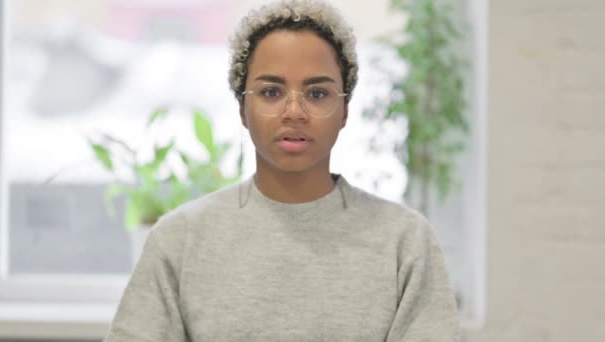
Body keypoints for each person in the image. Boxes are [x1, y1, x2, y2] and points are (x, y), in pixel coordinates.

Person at [105, 0, 461, 341]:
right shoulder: (180, 240)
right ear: (243, 109)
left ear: (345, 111)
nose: (294, 111)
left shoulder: (405, 242)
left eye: (317, 94)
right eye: (272, 92)